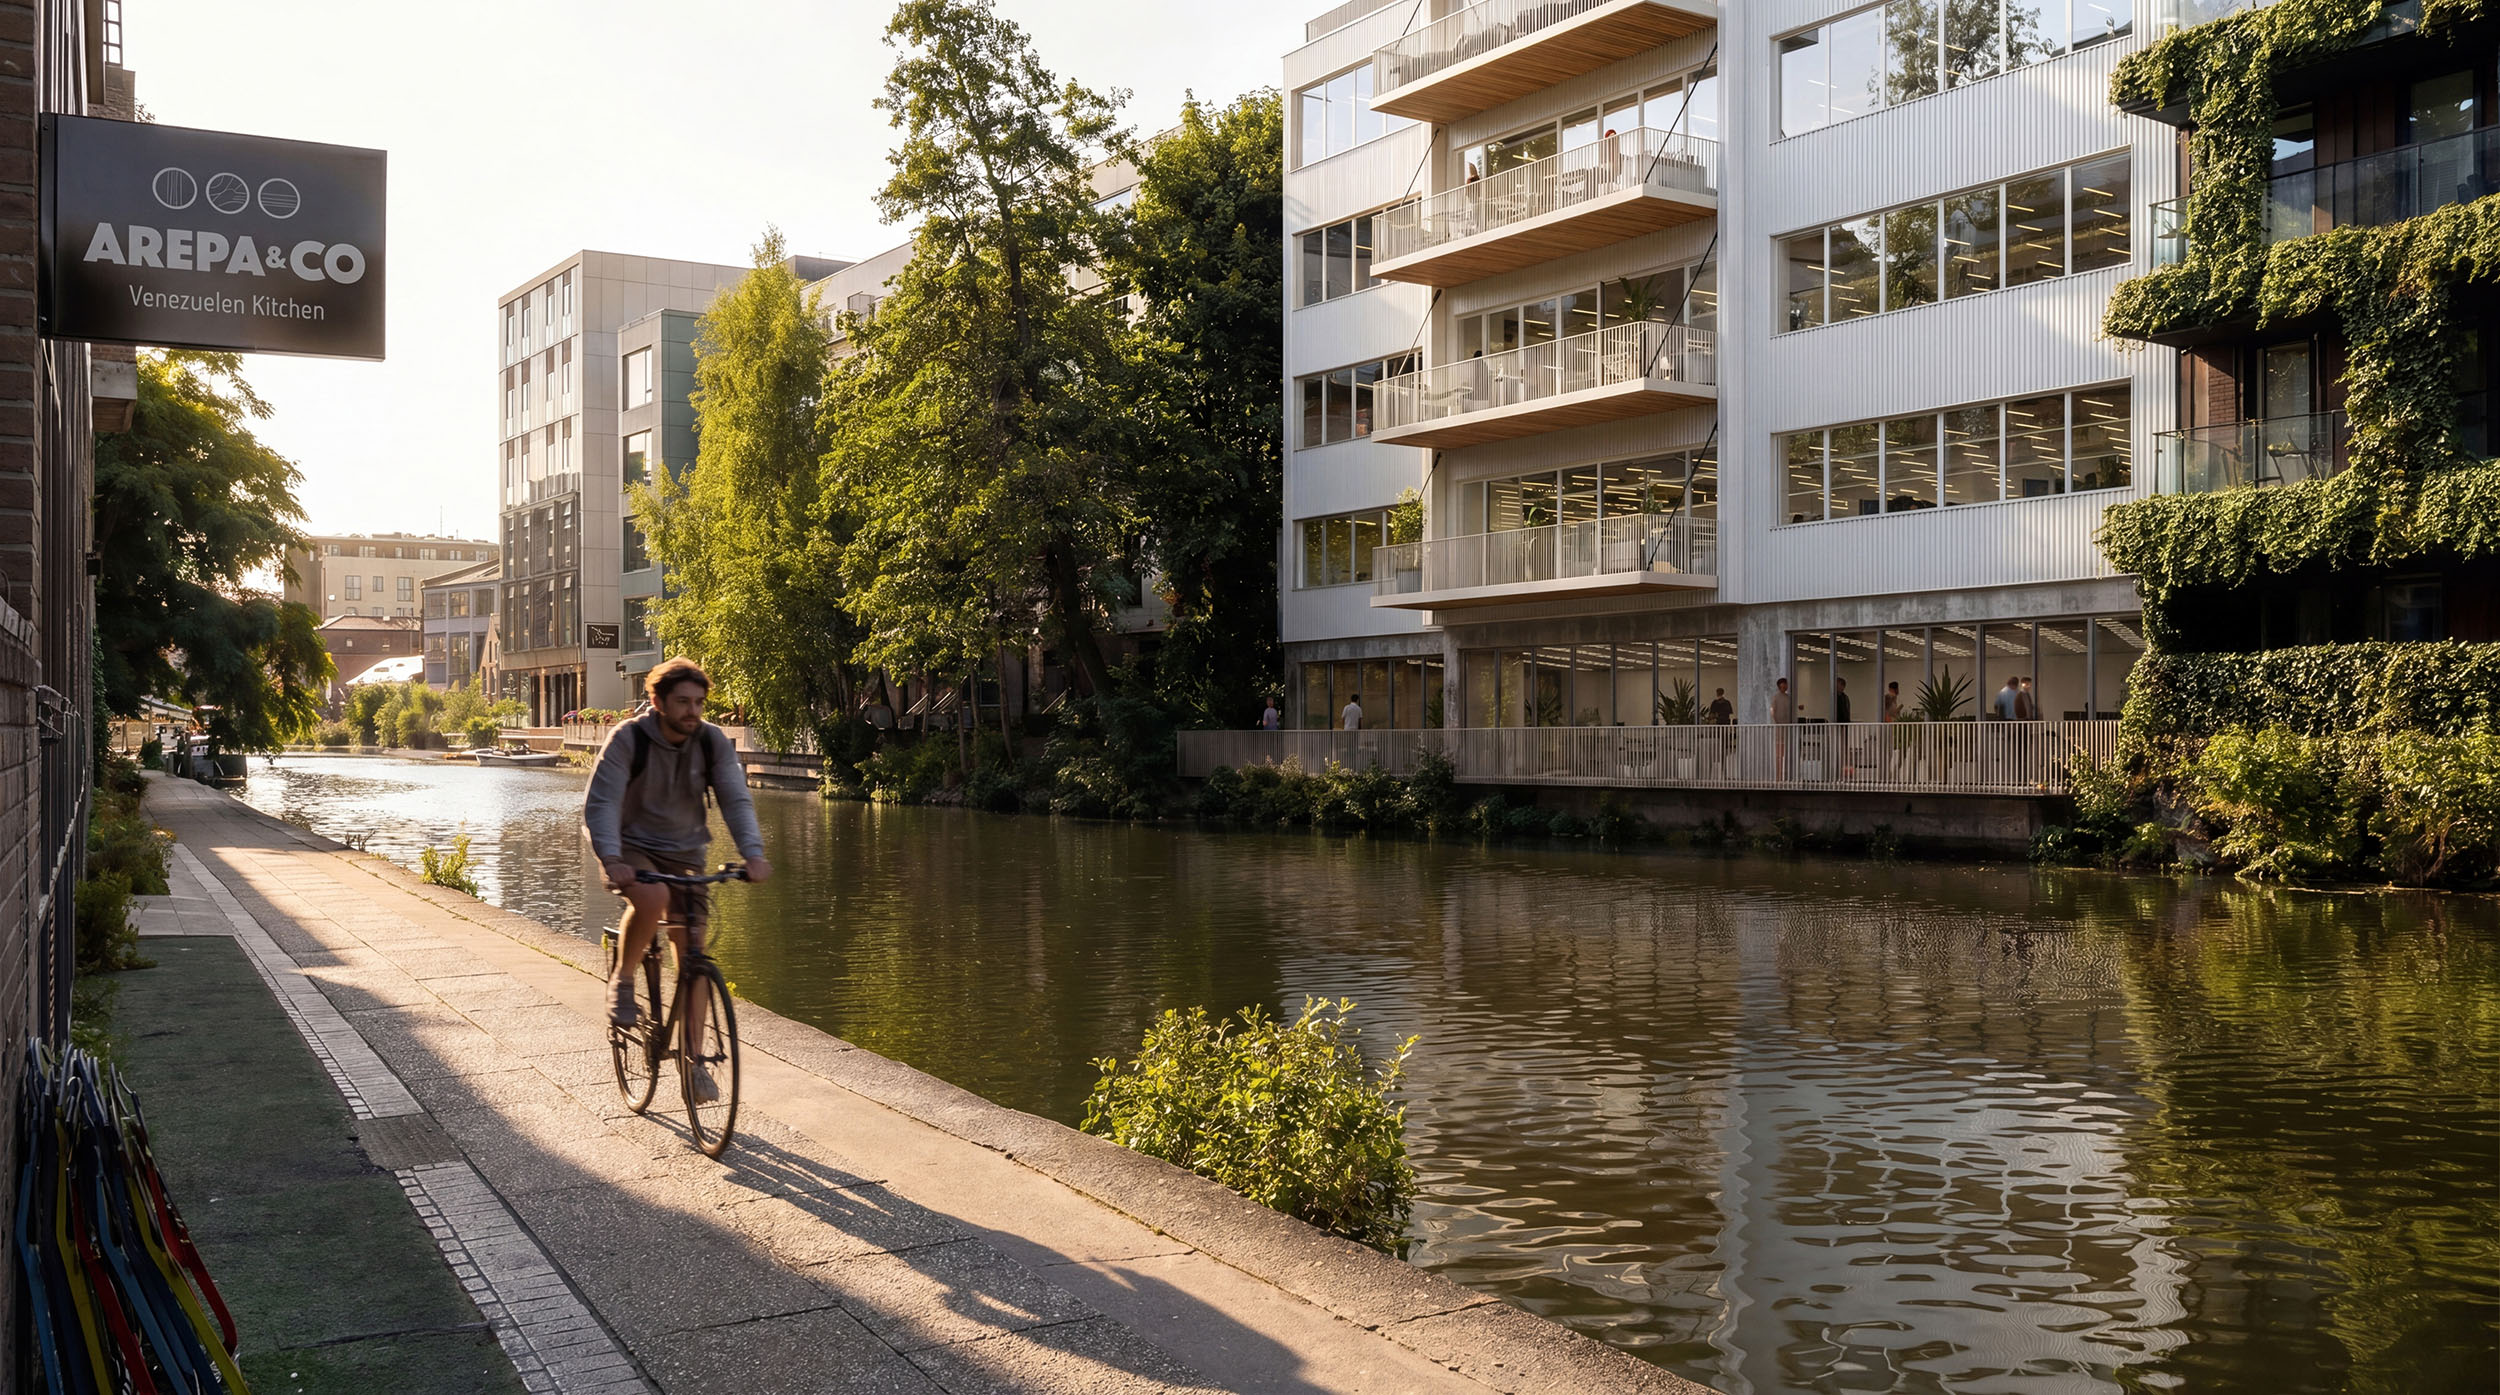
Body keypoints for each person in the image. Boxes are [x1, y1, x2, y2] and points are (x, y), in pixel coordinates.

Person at [583, 658, 774, 1101]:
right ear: (658, 701)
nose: (693, 711)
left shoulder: (710, 741)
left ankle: (694, 1062)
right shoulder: (628, 739)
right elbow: (603, 803)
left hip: (686, 852)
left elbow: (736, 799)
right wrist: (612, 858)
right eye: (683, 702)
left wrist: (753, 854)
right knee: (652, 898)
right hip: (630, 847)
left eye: (699, 703)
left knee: (694, 947)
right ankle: (623, 980)